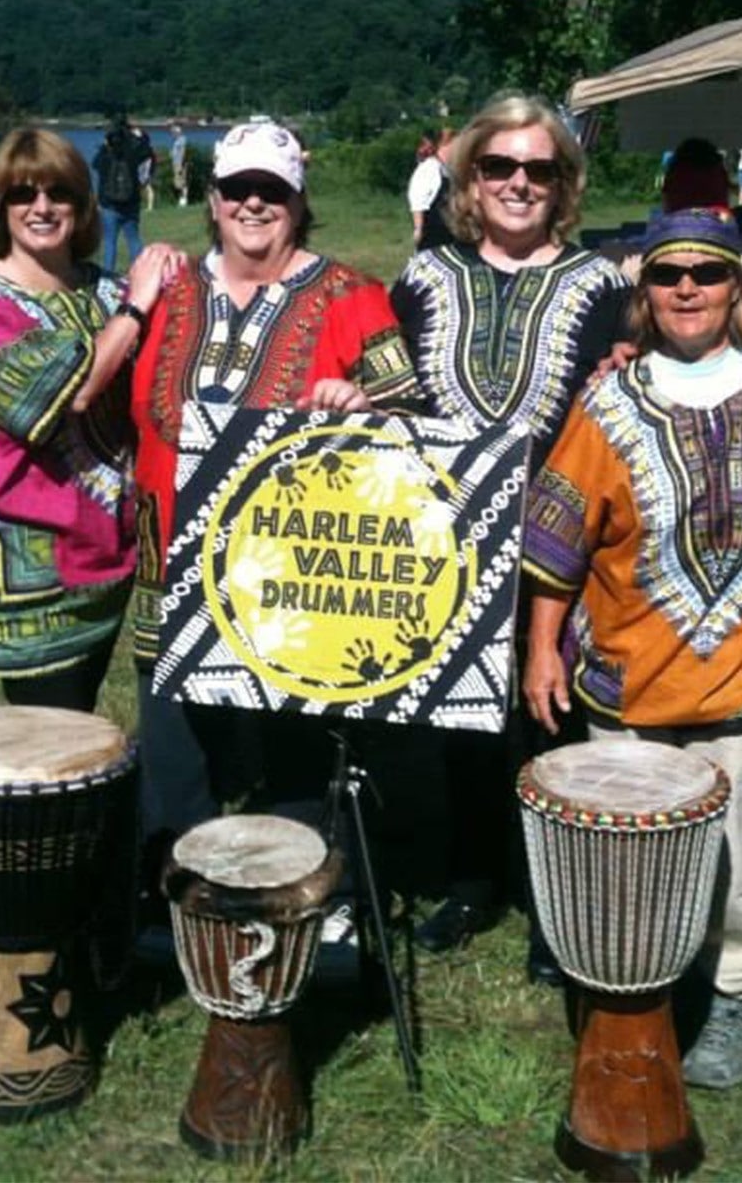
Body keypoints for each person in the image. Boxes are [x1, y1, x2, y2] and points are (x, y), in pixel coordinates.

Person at [521, 207, 742, 1089]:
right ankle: (631, 990)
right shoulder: (608, 400)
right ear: (643, 292)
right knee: (627, 856)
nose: (688, 288)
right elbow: (559, 530)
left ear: (736, 287)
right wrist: (542, 648)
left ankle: (732, 999)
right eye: (667, 274)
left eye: (708, 272)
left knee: (740, 852)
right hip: (625, 674)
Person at [131, 119, 419, 902]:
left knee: (292, 731)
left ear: (298, 201)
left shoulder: (351, 295)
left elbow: (414, 416)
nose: (253, 205)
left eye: (272, 192)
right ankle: (178, 889)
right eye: (237, 190)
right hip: (171, 557)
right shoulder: (167, 290)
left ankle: (291, 890)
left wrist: (359, 403)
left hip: (291, 569)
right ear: (214, 200)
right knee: (174, 734)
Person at [390, 94, 633, 976]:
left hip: (561, 545)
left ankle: (552, 895)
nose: (518, 184)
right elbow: (391, 393)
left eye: (539, 169)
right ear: (469, 178)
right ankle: (473, 877)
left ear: (564, 183)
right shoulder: (423, 281)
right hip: (445, 539)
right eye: (499, 167)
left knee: (551, 713)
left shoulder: (602, 285)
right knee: (462, 723)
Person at [0, 128, 180, 711]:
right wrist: (137, 305)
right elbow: (61, 396)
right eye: (22, 194)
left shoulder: (98, 287)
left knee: (89, 720)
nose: (42, 208)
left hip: (110, 551)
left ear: (82, 204)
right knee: (50, 741)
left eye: (60, 193)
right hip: (33, 566)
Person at [93, 112, 154, 273]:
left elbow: (96, 165)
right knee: (134, 240)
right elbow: (149, 156)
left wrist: (104, 146)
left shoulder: (107, 150)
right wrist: (141, 136)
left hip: (108, 203)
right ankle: (140, 272)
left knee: (110, 242)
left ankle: (107, 275)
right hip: (131, 201)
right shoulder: (135, 149)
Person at [407, 127, 455, 248]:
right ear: (443, 146)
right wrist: (419, 228)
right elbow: (417, 200)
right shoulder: (429, 168)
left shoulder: (446, 169)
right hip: (434, 233)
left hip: (449, 231)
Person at [661, 137, 733, 213]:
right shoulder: (717, 171)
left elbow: (666, 201)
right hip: (715, 218)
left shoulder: (675, 171)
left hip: (678, 217)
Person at [170, 124, 189, 207]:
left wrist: (181, 164)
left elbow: (182, 152)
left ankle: (183, 199)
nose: (172, 134)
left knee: (181, 182)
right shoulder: (177, 140)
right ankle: (182, 198)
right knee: (178, 182)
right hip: (176, 163)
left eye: (173, 132)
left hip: (179, 163)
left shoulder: (181, 140)